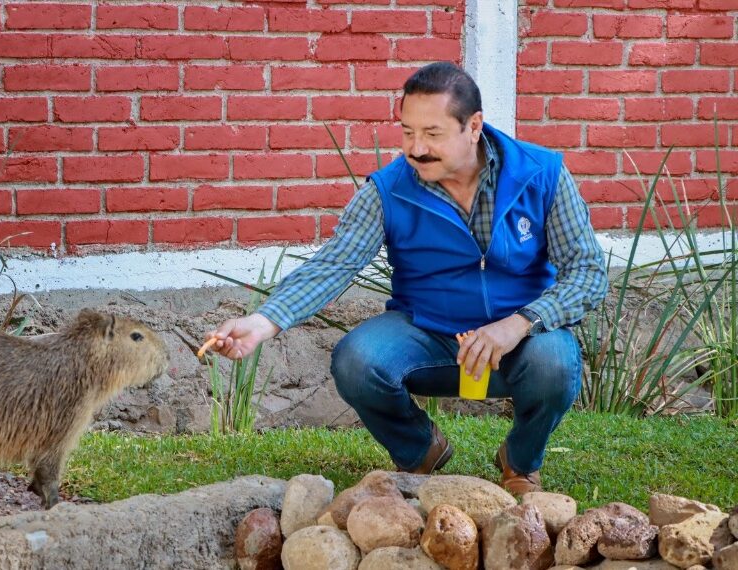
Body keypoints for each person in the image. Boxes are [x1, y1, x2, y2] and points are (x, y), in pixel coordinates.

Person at [203, 61, 608, 496]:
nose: (416, 149)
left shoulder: (542, 175)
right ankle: (419, 451)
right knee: (357, 361)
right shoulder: (387, 189)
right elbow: (334, 263)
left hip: (520, 342)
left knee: (557, 362)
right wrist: (262, 322)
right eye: (407, 132)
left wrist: (518, 324)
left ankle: (521, 462)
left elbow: (587, 272)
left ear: (473, 127)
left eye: (432, 134)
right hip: (427, 334)